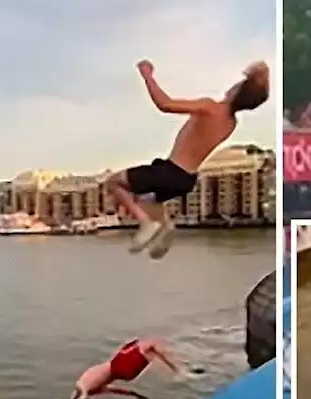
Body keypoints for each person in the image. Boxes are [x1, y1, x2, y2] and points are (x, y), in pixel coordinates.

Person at [106, 59, 270, 259]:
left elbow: (165, 104)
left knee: (113, 182)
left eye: (237, 84)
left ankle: (146, 223)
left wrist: (147, 75)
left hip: (171, 171)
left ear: (238, 90)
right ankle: (166, 226)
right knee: (147, 198)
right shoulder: (230, 123)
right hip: (187, 179)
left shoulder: (210, 107)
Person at [70, 338, 180, 399]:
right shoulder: (82, 386)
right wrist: (83, 395)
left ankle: (176, 368)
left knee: (153, 352)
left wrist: (135, 394)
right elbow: (82, 388)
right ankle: (178, 369)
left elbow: (113, 390)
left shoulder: (91, 390)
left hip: (126, 374)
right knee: (151, 345)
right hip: (120, 364)